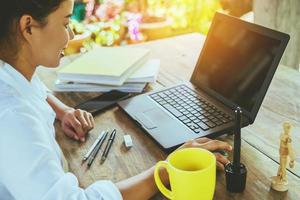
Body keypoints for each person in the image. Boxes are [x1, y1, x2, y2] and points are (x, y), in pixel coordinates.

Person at [0, 0, 232, 199]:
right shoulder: (13, 117)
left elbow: (34, 89)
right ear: (28, 27)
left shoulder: (11, 72)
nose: (71, 34)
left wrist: (63, 110)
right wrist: (164, 171)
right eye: (65, 23)